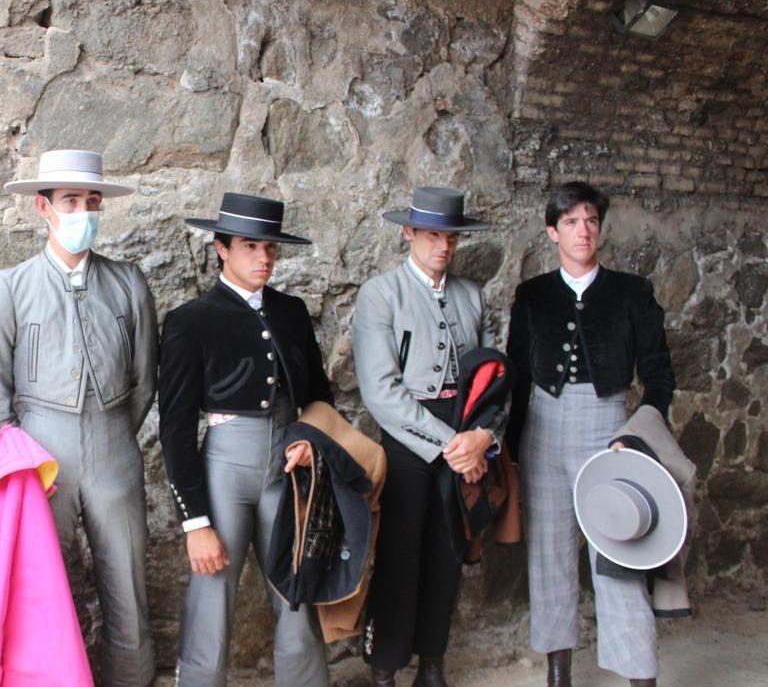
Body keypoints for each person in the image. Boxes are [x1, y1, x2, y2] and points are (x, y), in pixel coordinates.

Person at [0, 149, 157, 685]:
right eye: (71, 201)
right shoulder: (11, 285)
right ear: (43, 208)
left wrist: (114, 428)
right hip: (39, 453)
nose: (83, 212)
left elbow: (145, 378)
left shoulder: (128, 283)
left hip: (114, 445)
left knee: (127, 584)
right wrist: (21, 453)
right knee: (44, 593)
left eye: (92, 202)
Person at [505, 181, 675, 687]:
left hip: (609, 429)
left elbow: (660, 376)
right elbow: (517, 378)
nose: (584, 231)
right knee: (549, 556)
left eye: (591, 221)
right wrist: (511, 454)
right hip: (543, 430)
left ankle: (638, 675)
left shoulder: (632, 292)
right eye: (573, 222)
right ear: (553, 231)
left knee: (618, 557)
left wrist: (637, 435)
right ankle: (559, 673)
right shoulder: (532, 295)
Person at [159, 192, 331, 687]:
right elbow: (174, 429)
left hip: (287, 463)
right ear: (221, 248)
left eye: (271, 248)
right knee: (211, 595)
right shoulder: (189, 321)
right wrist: (195, 522)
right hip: (224, 471)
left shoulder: (292, 312)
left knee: (296, 588)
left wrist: (309, 437)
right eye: (251, 247)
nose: (264, 258)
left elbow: (319, 392)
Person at [351, 186, 500, 687]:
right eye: (433, 233)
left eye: (451, 235)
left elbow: (493, 377)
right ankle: (386, 668)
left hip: (464, 435)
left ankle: (433, 664)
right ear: (409, 232)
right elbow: (381, 391)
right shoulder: (381, 293)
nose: (444, 245)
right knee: (400, 555)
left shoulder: (471, 295)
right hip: (407, 439)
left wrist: (481, 437)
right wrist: (447, 445)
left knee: (448, 551)